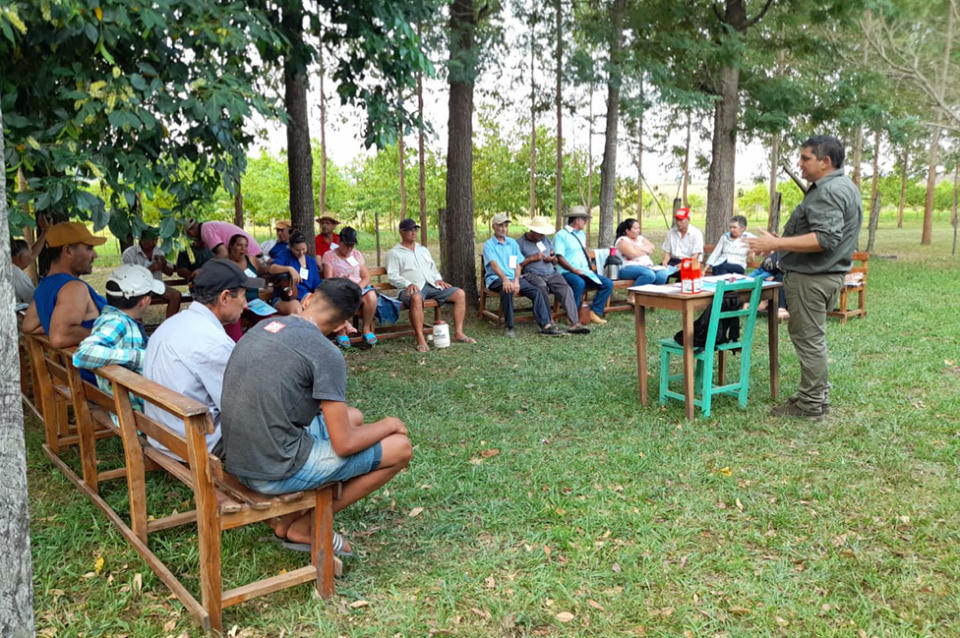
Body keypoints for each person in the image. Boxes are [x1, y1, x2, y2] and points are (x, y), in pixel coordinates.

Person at [221, 278, 413, 553]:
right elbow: (344, 444)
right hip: (272, 470)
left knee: (353, 416)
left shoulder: (266, 326)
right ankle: (308, 524)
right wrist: (390, 424)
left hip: (240, 458)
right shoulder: (326, 353)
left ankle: (287, 519)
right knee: (400, 447)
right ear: (340, 326)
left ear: (308, 299)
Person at [746, 135, 861, 419]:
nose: (800, 164)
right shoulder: (843, 186)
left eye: (805, 158)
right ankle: (815, 394)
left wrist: (776, 244)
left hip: (812, 278)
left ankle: (810, 405)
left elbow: (825, 239)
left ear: (826, 161)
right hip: (824, 276)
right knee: (812, 338)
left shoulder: (828, 191)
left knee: (809, 340)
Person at [143, 259, 261, 456]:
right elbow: (241, 408)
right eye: (242, 296)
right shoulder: (213, 343)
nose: (246, 305)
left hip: (160, 434)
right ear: (224, 297)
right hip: (193, 442)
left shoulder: (172, 324)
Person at [73, 264, 165, 409]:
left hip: (126, 406)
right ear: (144, 301)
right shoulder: (118, 323)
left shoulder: (111, 317)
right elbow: (82, 354)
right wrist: (140, 357)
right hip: (139, 413)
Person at [386, 218, 476, 352]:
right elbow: (392, 276)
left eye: (415, 229)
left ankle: (458, 333)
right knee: (416, 298)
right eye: (410, 230)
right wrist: (407, 283)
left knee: (459, 294)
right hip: (409, 289)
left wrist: (438, 279)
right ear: (401, 232)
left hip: (430, 285)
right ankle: (421, 338)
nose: (413, 233)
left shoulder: (423, 250)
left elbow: (432, 268)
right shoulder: (394, 253)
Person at [22, 222, 107, 351]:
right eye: (89, 248)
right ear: (67, 250)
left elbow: (29, 326)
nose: (95, 255)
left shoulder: (44, 286)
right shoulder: (73, 288)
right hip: (101, 369)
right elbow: (59, 338)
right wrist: (106, 333)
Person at [482, 213, 562, 337]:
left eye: (505, 226)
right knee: (507, 290)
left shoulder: (512, 243)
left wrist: (516, 280)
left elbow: (517, 264)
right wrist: (505, 280)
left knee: (537, 291)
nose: (503, 229)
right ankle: (510, 327)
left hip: (513, 278)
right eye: (500, 226)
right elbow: (493, 264)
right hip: (496, 279)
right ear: (493, 227)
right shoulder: (489, 245)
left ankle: (545, 324)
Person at [516, 216, 590, 334]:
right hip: (532, 274)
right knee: (541, 287)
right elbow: (517, 264)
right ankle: (548, 321)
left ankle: (575, 323)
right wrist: (532, 258)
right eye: (540, 233)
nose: (542, 236)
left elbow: (555, 260)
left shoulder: (545, 240)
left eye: (543, 233)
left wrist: (552, 258)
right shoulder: (520, 243)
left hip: (551, 273)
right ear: (532, 230)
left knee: (566, 289)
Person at [553, 206, 613, 325]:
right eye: (584, 219)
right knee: (579, 283)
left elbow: (582, 249)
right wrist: (573, 270)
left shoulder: (581, 234)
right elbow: (559, 257)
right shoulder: (561, 235)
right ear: (577, 220)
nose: (586, 222)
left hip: (584, 271)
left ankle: (594, 312)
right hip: (566, 272)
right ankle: (572, 316)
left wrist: (588, 264)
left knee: (607, 284)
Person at [321, 226, 378, 348]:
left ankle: (366, 329)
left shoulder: (356, 254)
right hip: (340, 287)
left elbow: (366, 277)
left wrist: (358, 288)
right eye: (347, 245)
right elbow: (329, 279)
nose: (349, 248)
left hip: (357, 288)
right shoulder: (329, 256)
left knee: (371, 296)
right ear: (339, 242)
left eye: (352, 245)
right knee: (338, 298)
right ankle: (341, 330)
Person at [121, 227, 182, 318]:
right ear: (142, 240)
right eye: (151, 240)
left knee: (176, 296)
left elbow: (170, 273)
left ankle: (168, 326)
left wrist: (164, 265)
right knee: (134, 302)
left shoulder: (158, 251)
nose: (154, 243)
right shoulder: (129, 254)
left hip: (156, 286)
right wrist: (151, 268)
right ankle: (139, 328)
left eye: (156, 240)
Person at [270, 231, 322, 315]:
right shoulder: (285, 255)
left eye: (303, 249)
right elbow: (272, 268)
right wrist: (289, 269)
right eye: (297, 250)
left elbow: (316, 285)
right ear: (290, 247)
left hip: (306, 297)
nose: (301, 253)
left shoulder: (311, 261)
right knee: (297, 309)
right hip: (285, 297)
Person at [614, 218, 672, 286]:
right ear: (627, 231)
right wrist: (645, 250)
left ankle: (650, 295)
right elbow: (631, 254)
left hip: (647, 266)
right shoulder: (622, 240)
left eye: (639, 228)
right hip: (627, 267)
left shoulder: (640, 238)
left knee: (663, 274)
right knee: (649, 274)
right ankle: (633, 294)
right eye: (635, 229)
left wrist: (636, 248)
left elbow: (652, 247)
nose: (638, 230)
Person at [185, 218, 263, 259]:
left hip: (250, 257)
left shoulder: (206, 231)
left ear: (191, 232)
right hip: (254, 254)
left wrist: (205, 268)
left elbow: (223, 254)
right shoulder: (208, 226)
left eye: (189, 235)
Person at [10, 239, 37, 305]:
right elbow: (34, 300)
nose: (31, 258)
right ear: (22, 257)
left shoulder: (8, 268)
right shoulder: (17, 274)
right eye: (30, 254)